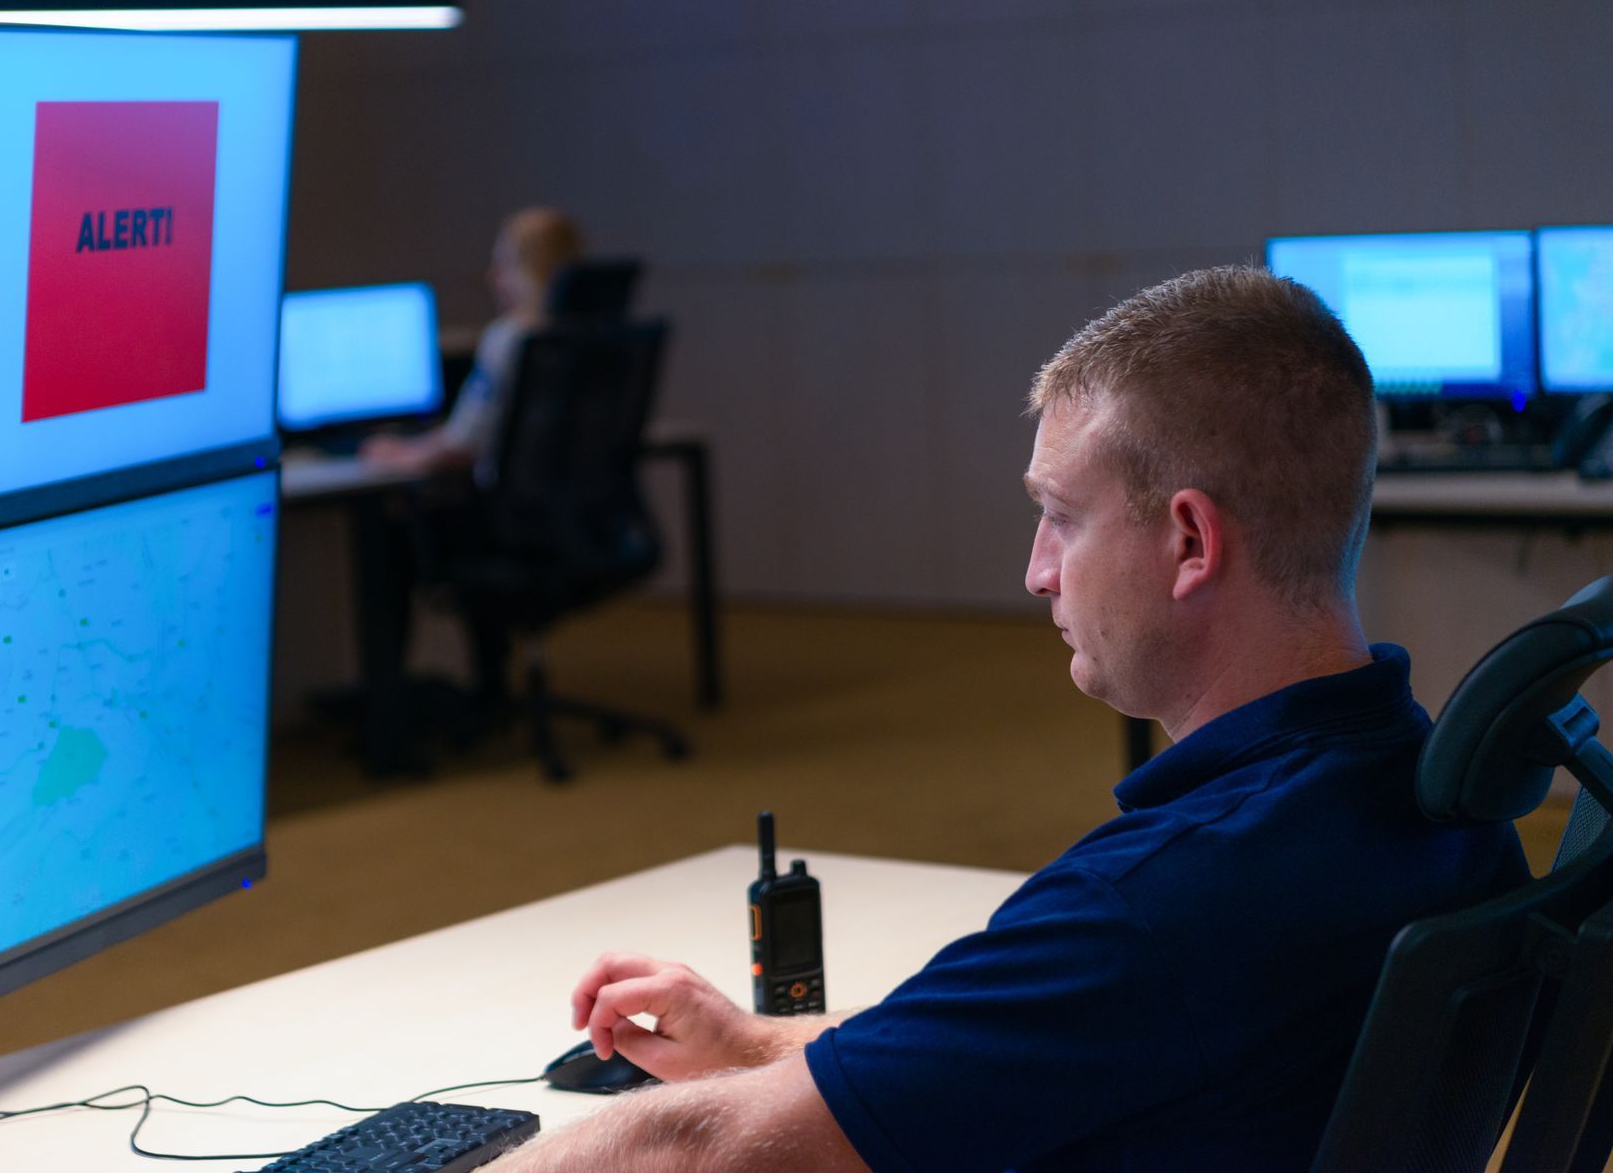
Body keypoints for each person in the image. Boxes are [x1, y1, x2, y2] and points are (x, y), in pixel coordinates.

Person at [489, 266, 1530, 1172]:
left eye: (1061, 518)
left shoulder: (1157, 902)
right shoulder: (1435, 800)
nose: (1035, 573)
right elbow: (1043, 1033)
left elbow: (702, 1152)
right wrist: (758, 1044)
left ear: (1189, 542)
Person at [361, 207, 586, 479]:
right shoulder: (596, 335)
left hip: (512, 506)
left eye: (503, 265)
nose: (493, 278)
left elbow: (463, 444)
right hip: (583, 505)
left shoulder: (511, 338)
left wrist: (405, 455)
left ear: (525, 271)